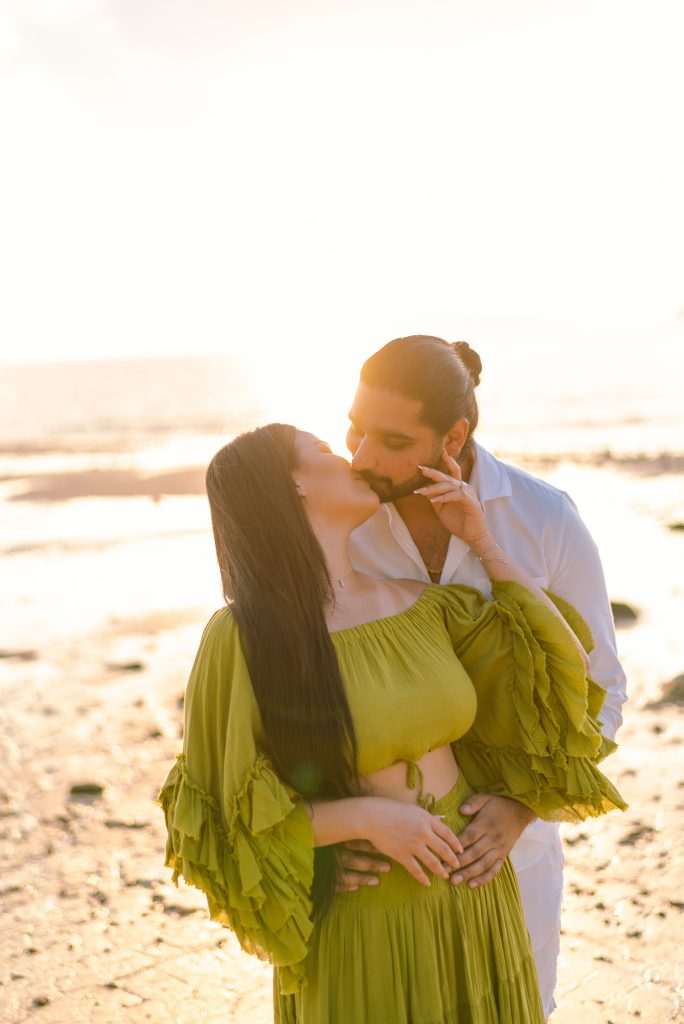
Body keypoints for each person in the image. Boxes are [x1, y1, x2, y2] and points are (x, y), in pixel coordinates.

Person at [158, 422, 625, 1023]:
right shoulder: (243, 638)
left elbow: (566, 674)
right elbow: (217, 820)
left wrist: (482, 540)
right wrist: (358, 820)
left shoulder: (427, 606)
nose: (352, 456)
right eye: (325, 450)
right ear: (295, 484)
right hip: (366, 916)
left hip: (476, 894)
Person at [343, 334, 628, 1018]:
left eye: (390, 439)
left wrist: (522, 807)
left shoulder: (543, 518)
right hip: (387, 866)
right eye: (353, 429)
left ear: (455, 435)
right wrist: (335, 830)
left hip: (513, 855)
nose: (360, 458)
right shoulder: (343, 524)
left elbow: (604, 692)